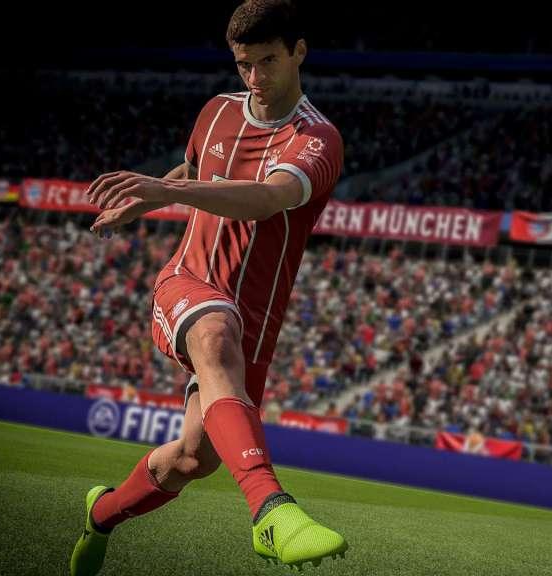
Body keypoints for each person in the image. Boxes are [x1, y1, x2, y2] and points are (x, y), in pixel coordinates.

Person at [69, 1, 347, 574]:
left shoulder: (317, 139)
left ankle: (102, 515)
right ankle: (270, 510)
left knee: (194, 460)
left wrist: (165, 191)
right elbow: (194, 173)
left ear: (299, 52)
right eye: (244, 64)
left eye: (268, 61)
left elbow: (267, 198)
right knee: (215, 331)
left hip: (254, 321)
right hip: (189, 282)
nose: (255, 77)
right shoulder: (217, 111)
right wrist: (147, 199)